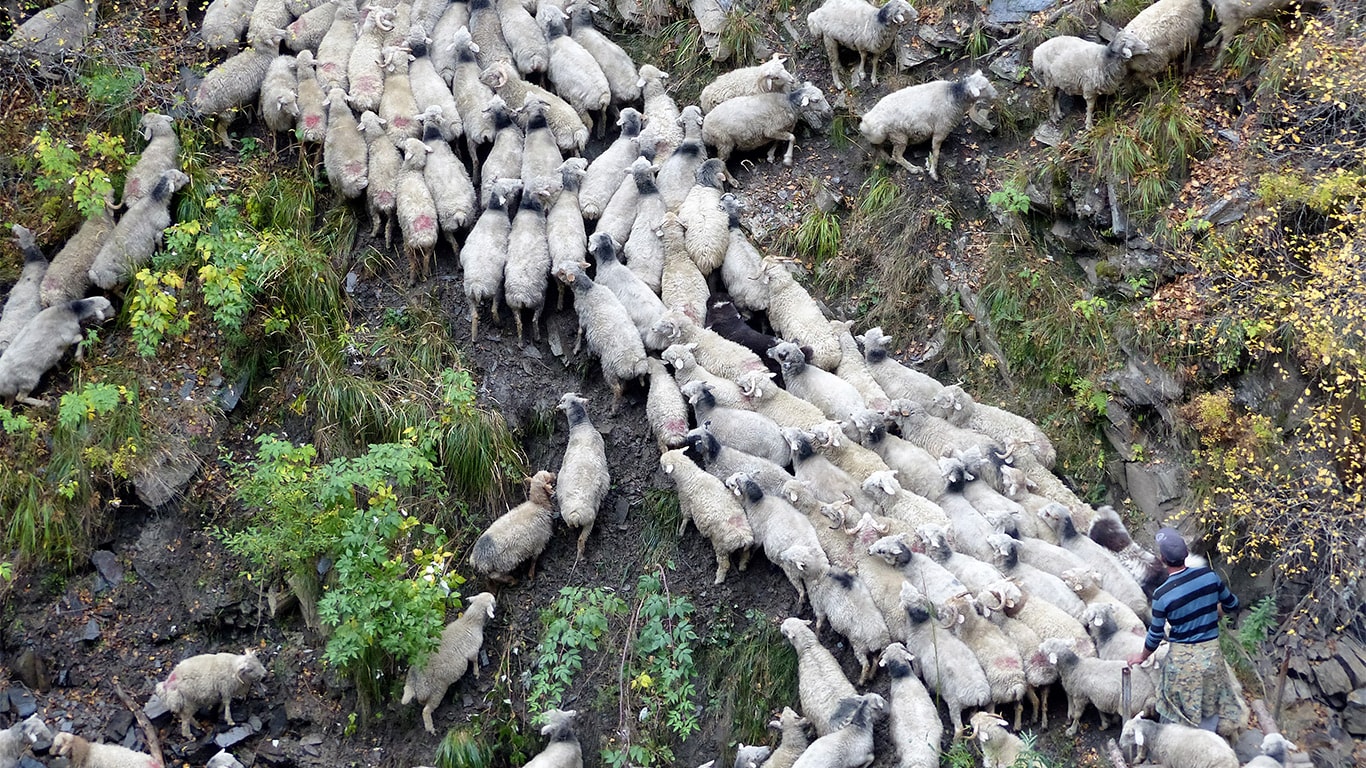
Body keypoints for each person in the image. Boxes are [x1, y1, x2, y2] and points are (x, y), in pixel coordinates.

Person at [1128, 526, 1247, 739]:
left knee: (1176, 707)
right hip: (1211, 655)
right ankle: (1210, 745)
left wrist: (1141, 656)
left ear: (1163, 559)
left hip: (1182, 661)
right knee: (1209, 703)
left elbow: (1155, 636)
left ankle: (1182, 747)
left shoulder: (1162, 594)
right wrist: (1214, 613)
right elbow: (1232, 603)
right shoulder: (1209, 576)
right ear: (1186, 555)